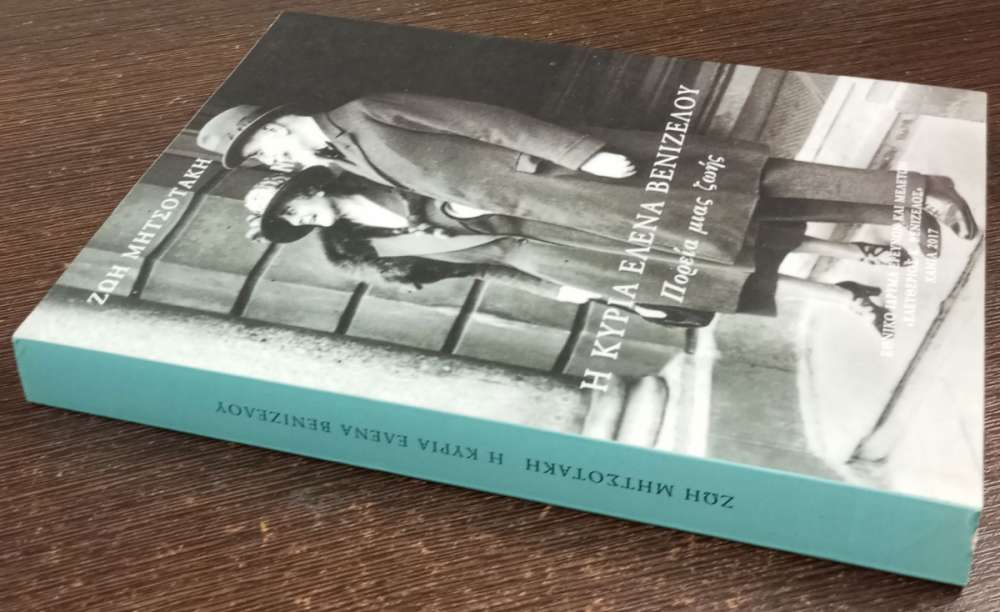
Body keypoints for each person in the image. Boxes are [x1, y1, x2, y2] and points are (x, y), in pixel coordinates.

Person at [239, 166, 923, 332]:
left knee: (725, 237)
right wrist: (564, 289)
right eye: (289, 218)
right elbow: (480, 273)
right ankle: (845, 296)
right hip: (547, 258)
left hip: (563, 216)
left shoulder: (380, 176)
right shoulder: (356, 254)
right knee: (705, 281)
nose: (300, 213)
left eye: (293, 200)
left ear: (311, 183)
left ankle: (857, 255)